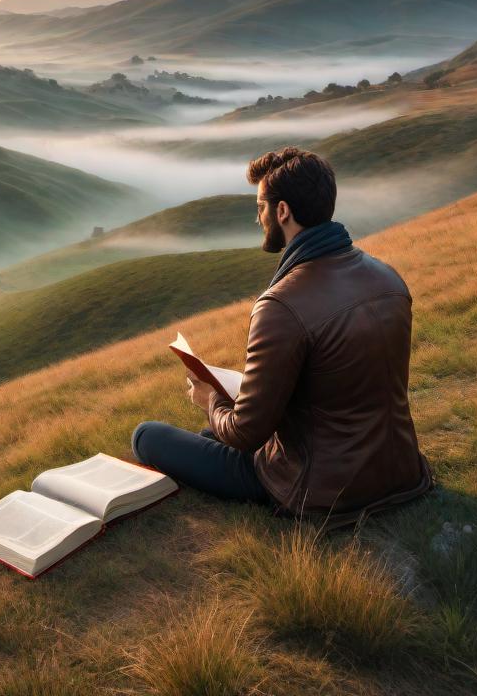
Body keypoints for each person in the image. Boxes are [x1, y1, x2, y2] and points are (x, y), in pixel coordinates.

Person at [131, 146, 432, 528]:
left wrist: (210, 398)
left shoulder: (281, 305)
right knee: (210, 434)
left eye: (260, 206)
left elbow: (244, 433)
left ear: (283, 211)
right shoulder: (388, 278)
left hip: (317, 489)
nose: (258, 218)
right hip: (401, 470)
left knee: (147, 436)